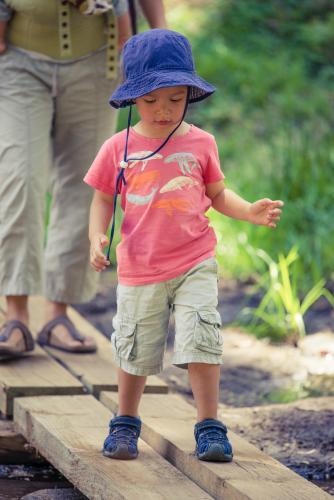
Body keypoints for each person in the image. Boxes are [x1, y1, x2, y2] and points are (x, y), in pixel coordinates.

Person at [84, 29, 284, 461]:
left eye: (175, 100)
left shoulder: (201, 143)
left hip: (195, 259)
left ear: (189, 95)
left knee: (202, 339)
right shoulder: (117, 147)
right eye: (152, 100)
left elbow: (216, 195)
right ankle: (125, 422)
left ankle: (209, 426)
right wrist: (95, 237)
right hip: (139, 266)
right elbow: (102, 198)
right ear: (133, 98)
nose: (163, 110)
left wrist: (248, 210)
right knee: (135, 347)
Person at [0, 1, 167, 357]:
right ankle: (15, 317)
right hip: (18, 60)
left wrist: (160, 36)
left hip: (97, 61)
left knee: (85, 184)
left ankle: (58, 315)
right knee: (20, 178)